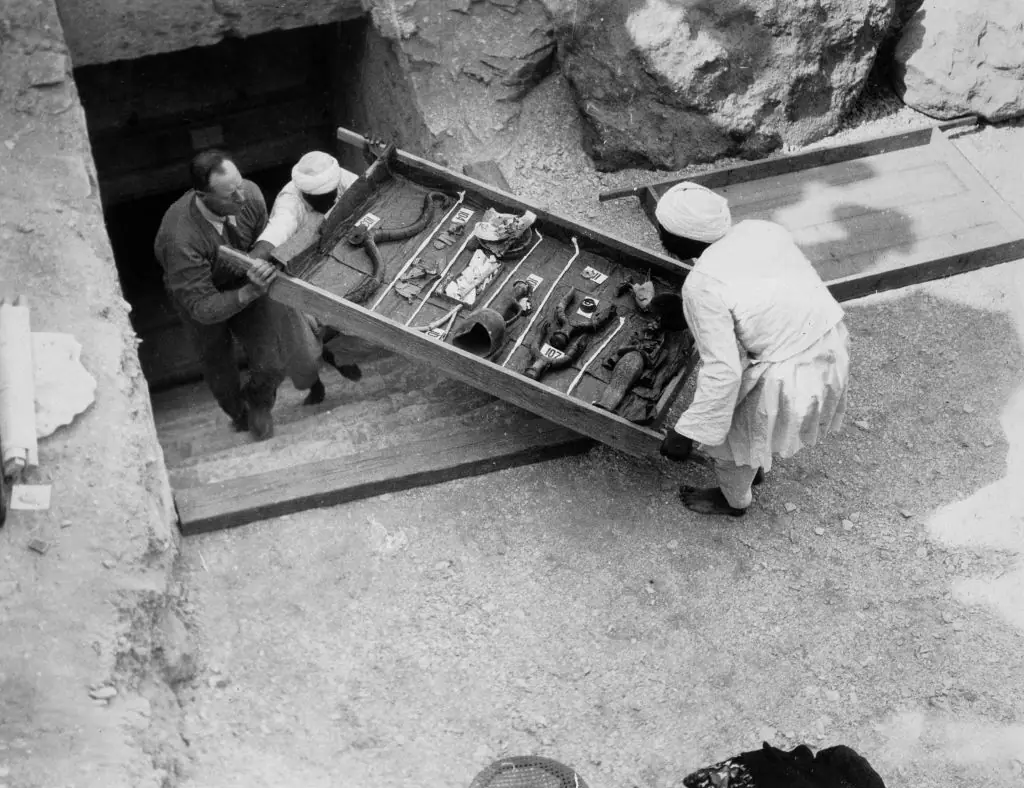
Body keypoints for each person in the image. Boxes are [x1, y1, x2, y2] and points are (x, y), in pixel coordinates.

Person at [655, 182, 850, 517]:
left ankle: (733, 501)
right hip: (830, 342)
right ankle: (755, 460)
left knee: (730, 447)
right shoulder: (760, 229)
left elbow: (724, 372)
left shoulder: (701, 285)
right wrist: (690, 314)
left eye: (662, 231)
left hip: (791, 373)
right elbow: (758, 300)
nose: (658, 235)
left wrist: (685, 432)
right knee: (754, 432)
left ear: (677, 241)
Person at [153, 149, 286, 440]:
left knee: (273, 363)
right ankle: (237, 413)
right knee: (218, 364)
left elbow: (265, 237)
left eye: (240, 184)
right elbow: (203, 306)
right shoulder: (180, 239)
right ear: (202, 196)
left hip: (243, 279)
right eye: (230, 194)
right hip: (198, 295)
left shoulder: (249, 194)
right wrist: (250, 291)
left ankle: (258, 404)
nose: (242, 197)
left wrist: (258, 263)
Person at [249, 150, 363, 403]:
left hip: (339, 258)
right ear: (305, 194)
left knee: (349, 318)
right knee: (301, 345)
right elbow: (279, 228)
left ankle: (337, 356)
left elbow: (370, 188)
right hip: (299, 268)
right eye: (319, 199)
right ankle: (312, 384)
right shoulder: (290, 200)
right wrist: (256, 261)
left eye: (330, 196)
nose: (327, 202)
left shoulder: (344, 179)